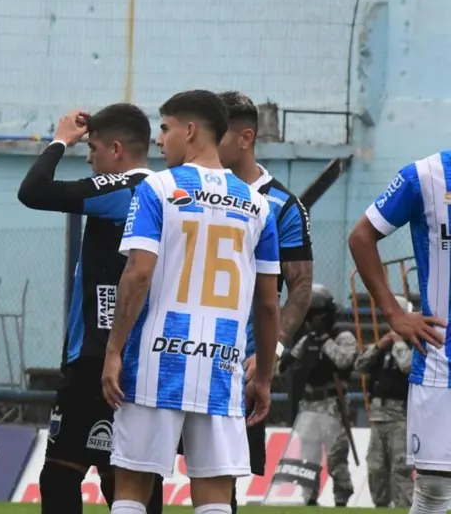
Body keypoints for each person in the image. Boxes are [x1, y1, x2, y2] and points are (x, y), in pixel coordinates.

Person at [101, 89, 280, 514]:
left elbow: (138, 273)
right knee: (215, 498)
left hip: (155, 363)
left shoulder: (157, 188)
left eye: (165, 128)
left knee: (131, 487)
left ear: (191, 130)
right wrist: (265, 377)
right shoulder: (259, 206)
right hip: (221, 367)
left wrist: (113, 350)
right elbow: (269, 304)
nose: (160, 140)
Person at [17, 106, 164, 514]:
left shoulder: (129, 189)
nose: (89, 157)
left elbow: (34, 191)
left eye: (93, 148)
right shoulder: (168, 191)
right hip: (144, 356)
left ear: (116, 149)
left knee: (63, 475)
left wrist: (61, 139)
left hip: (100, 359)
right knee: (129, 476)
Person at [214, 90, 315, 512]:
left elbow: (301, 287)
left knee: (222, 474)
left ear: (245, 137)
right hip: (185, 347)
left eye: (215, 133)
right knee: (150, 466)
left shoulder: (282, 204)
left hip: (242, 362)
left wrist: (270, 351)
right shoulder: (190, 189)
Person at [347, 150, 449, 514]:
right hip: (441, 359)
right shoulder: (425, 176)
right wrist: (393, 312)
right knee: (435, 488)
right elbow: (361, 236)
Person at [275, 285, 357, 506]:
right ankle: (309, 499)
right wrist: (283, 360)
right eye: (312, 315)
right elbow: (285, 362)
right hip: (310, 405)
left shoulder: (342, 335)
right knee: (308, 457)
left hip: (334, 403)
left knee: (335, 458)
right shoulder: (307, 338)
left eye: (319, 314)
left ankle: (342, 499)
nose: (315, 319)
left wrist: (325, 340)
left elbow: (344, 361)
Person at [354, 326, 412, 507]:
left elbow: (407, 366)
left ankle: (404, 506)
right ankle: (381, 506)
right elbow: (360, 365)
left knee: (400, 467)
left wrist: (399, 343)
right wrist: (378, 347)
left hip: (401, 416)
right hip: (378, 415)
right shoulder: (382, 350)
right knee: (375, 466)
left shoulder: (414, 348)